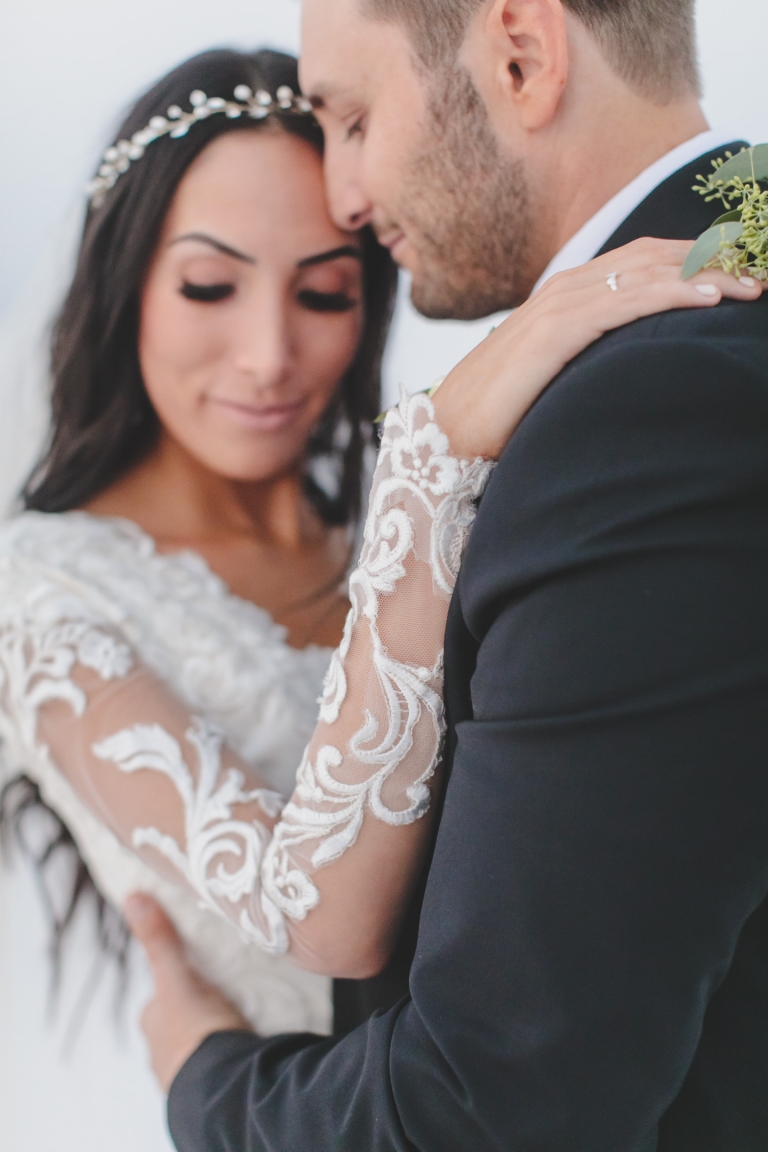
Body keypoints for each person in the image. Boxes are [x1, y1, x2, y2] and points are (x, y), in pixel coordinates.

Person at [119, 2, 768, 1151]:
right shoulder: (718, 311)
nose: (342, 197)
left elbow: (492, 1107)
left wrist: (200, 1077)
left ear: (521, 55)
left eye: (354, 118)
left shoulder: (648, 409)